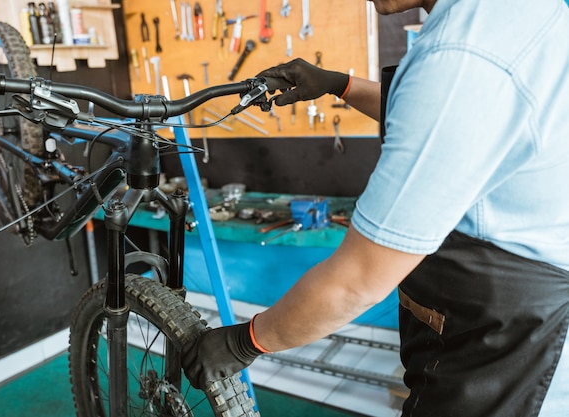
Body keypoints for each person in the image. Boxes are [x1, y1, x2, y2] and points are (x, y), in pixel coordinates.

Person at [182, 0, 569, 415]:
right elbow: (446, 119)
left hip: (507, 350)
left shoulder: (462, 53)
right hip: (515, 313)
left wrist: (246, 341)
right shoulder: (515, 12)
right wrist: (339, 84)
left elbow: (357, 281)